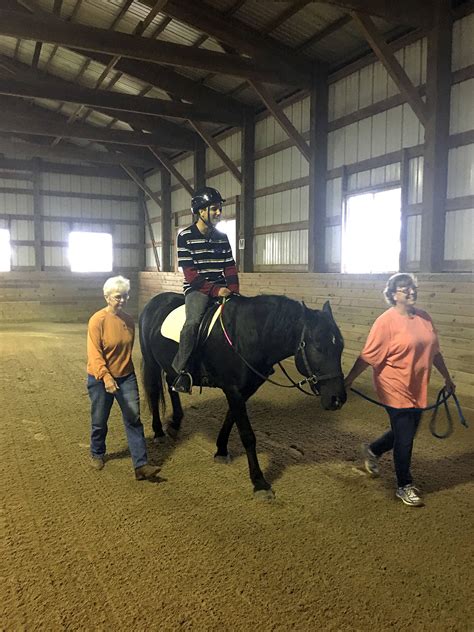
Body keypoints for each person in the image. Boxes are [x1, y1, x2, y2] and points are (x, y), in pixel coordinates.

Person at [344, 273, 455, 507]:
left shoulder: (424, 318)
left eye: (412, 288)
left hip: (417, 385)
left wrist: (447, 378)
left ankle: (373, 450)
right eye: (405, 289)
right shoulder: (386, 322)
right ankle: (404, 486)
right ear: (394, 294)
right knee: (405, 437)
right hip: (393, 384)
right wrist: (350, 379)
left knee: (406, 432)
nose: (411, 291)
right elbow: (368, 356)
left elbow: (434, 352)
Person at [87, 275, 160, 480]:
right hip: (100, 379)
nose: (122, 300)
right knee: (100, 419)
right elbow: (94, 354)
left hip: (126, 377)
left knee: (133, 419)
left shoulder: (128, 321)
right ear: (107, 296)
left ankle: (141, 465)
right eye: (118, 296)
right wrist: (106, 377)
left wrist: (122, 374)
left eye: (125, 296)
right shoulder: (97, 321)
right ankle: (97, 452)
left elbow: (125, 352)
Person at [172, 186, 240, 394]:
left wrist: (234, 290)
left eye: (219, 209)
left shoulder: (222, 237)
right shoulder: (185, 237)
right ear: (201, 211)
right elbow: (191, 275)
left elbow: (229, 267)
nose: (219, 213)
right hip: (197, 290)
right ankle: (182, 371)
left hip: (222, 287)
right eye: (215, 209)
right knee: (192, 324)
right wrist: (216, 291)